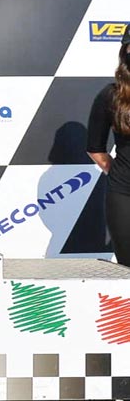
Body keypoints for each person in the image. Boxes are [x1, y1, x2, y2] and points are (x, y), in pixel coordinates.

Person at [87, 27, 130, 266]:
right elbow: (95, 147)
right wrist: (119, 174)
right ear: (126, 50)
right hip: (124, 194)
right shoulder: (112, 95)